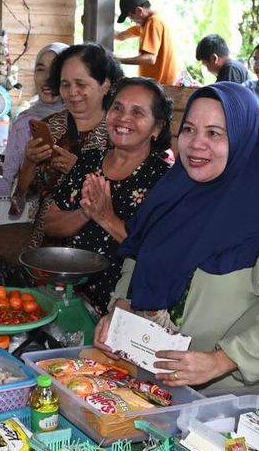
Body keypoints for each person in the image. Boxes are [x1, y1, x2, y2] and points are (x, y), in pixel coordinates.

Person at [94, 82, 259, 391]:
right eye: (190, 130)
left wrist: (219, 361)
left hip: (221, 399)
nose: (196, 144)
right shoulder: (169, 198)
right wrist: (121, 306)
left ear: (243, 140)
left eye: (214, 133)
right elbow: (138, 256)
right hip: (147, 379)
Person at [44, 77, 172, 313]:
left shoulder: (165, 179)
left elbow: (160, 253)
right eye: (117, 107)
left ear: (157, 127)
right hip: (71, 297)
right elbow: (50, 224)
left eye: (137, 112)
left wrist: (105, 216)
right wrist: (85, 213)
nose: (124, 118)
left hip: (125, 306)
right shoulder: (88, 160)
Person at [24, 43, 123, 247]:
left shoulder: (120, 133)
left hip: (99, 245)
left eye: (81, 84)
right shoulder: (51, 127)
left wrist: (79, 170)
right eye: (65, 84)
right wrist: (29, 161)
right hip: (46, 243)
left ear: (105, 84)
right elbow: (24, 192)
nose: (72, 92)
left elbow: (129, 194)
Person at [0, 42, 68, 200]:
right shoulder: (24, 124)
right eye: (40, 69)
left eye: (55, 70)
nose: (46, 78)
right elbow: (8, 186)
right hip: (31, 218)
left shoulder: (82, 119)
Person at [113, 0, 179, 85]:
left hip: (162, 85)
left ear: (139, 10)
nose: (132, 21)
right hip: (158, 83)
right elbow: (120, 36)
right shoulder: (146, 24)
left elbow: (149, 58)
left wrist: (118, 60)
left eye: (131, 17)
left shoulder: (153, 22)